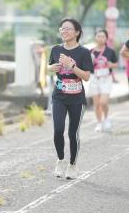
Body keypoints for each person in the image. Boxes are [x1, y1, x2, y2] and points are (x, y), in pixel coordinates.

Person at [48, 18, 94, 180]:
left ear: (77, 32)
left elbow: (87, 77)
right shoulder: (55, 49)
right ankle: (60, 160)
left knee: (72, 132)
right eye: (62, 28)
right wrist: (50, 68)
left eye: (68, 28)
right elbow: (50, 68)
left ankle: (73, 164)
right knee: (58, 130)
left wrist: (72, 66)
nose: (63, 31)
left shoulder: (83, 52)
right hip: (59, 95)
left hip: (77, 98)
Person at [89, 29, 118, 132]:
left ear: (106, 38)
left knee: (103, 102)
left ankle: (106, 118)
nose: (101, 38)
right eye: (98, 36)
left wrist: (111, 65)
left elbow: (116, 64)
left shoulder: (110, 51)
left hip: (106, 78)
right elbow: (85, 65)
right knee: (96, 104)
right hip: (94, 78)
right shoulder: (90, 51)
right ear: (95, 37)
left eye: (103, 36)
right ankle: (99, 123)